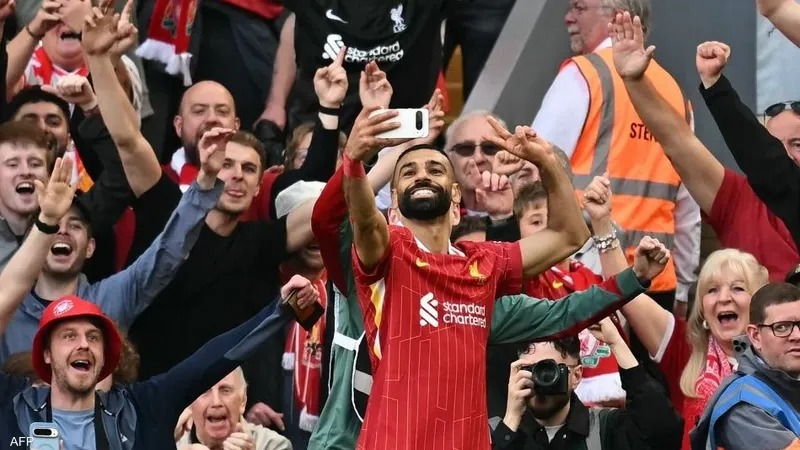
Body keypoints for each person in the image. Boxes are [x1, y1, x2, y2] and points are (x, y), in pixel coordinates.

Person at [340, 85, 675, 449]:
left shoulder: (483, 264)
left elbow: (569, 238)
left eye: (435, 169)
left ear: (455, 196)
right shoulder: (389, 252)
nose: (422, 175)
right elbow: (364, 221)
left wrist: (545, 162)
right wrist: (354, 162)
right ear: (394, 204)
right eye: (408, 172)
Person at [0, 273, 317, 449]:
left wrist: (281, 310)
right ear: (46, 353)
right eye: (69, 336)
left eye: (93, 337)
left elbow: (213, 358)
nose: (83, 344)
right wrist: (45, 224)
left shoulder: (145, 406)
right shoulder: (11, 404)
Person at [531, 0, 700, 314]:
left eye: (579, 7)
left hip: (588, 277)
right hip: (657, 282)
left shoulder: (583, 75)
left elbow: (535, 170)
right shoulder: (674, 93)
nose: (568, 17)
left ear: (616, 16)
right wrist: (683, 288)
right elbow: (689, 205)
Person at [613, 31, 798, 280]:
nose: (784, 156)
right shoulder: (738, 199)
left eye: (797, 144)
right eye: (772, 145)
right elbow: (678, 142)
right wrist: (635, 81)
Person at [492, 319, 682, 450]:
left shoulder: (605, 428)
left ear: (576, 375)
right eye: (530, 369)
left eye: (549, 370)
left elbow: (664, 433)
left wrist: (616, 343)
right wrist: (510, 421)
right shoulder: (497, 432)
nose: (540, 379)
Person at [692, 283, 800, 450]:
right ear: (755, 336)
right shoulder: (743, 407)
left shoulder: (789, 381)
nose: (797, 336)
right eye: (781, 327)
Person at [174, 368, 292, 450]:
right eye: (204, 391)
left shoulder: (274, 445)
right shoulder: (173, 443)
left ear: (243, 400)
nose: (216, 402)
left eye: (225, 390)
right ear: (190, 403)